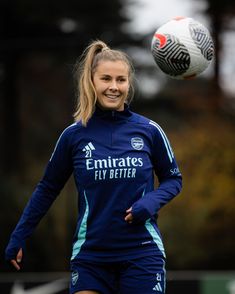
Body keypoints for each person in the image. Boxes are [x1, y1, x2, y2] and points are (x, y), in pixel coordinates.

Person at [5, 40, 182, 294]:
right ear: (91, 81)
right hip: (91, 257)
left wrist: (151, 202)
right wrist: (19, 235)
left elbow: (173, 179)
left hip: (142, 253)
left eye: (121, 80)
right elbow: (47, 188)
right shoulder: (73, 136)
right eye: (106, 79)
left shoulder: (149, 131)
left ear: (128, 84)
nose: (113, 87)